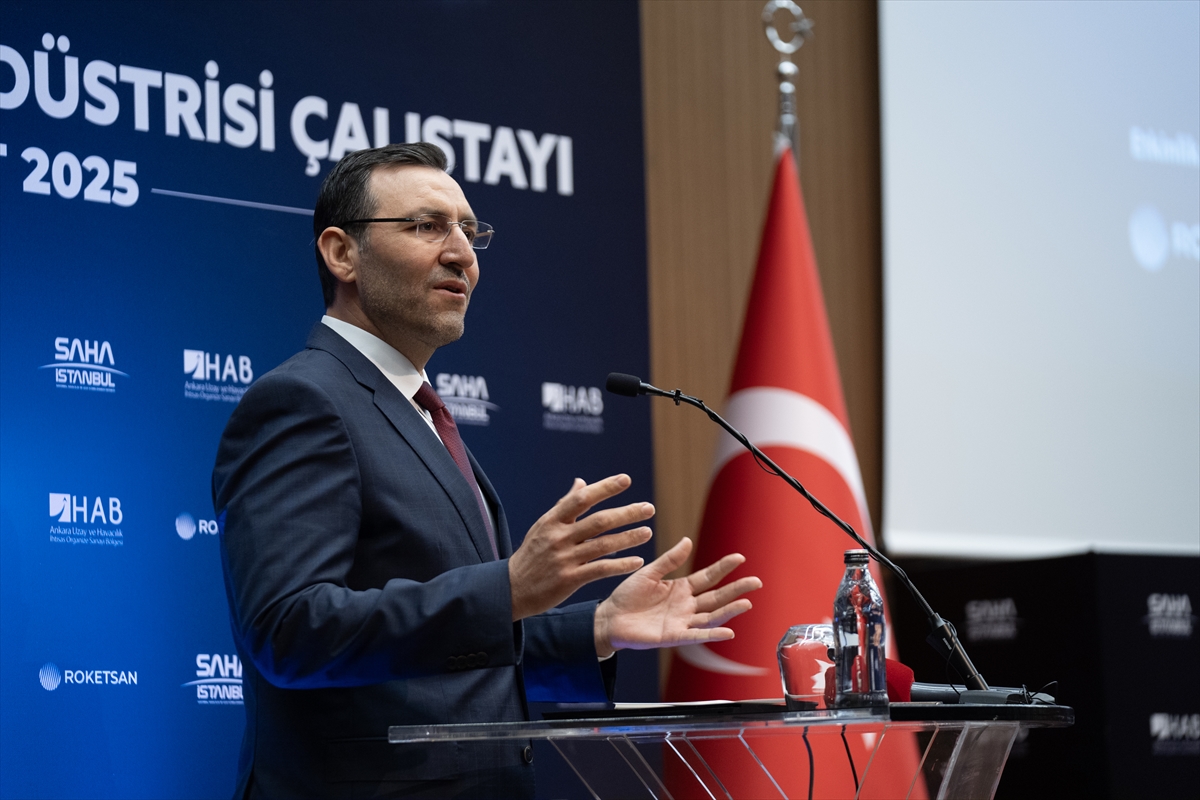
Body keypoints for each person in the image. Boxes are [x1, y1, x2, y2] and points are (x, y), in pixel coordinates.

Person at [212, 143, 761, 799]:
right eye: (427, 226)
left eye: (470, 232)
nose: (462, 254)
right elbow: (289, 632)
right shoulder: (303, 401)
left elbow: (456, 659)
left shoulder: (414, 409)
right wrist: (507, 591)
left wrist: (594, 627)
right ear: (342, 253)